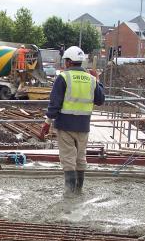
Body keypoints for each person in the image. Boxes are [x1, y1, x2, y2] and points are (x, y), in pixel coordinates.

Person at [40, 46, 105, 196]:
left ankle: (69, 192)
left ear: (69, 62)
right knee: (81, 158)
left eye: (65, 61)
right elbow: (100, 100)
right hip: (83, 126)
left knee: (68, 159)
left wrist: (47, 123)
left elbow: (54, 104)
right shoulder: (91, 79)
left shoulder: (63, 77)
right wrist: (98, 81)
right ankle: (79, 190)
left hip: (65, 125)